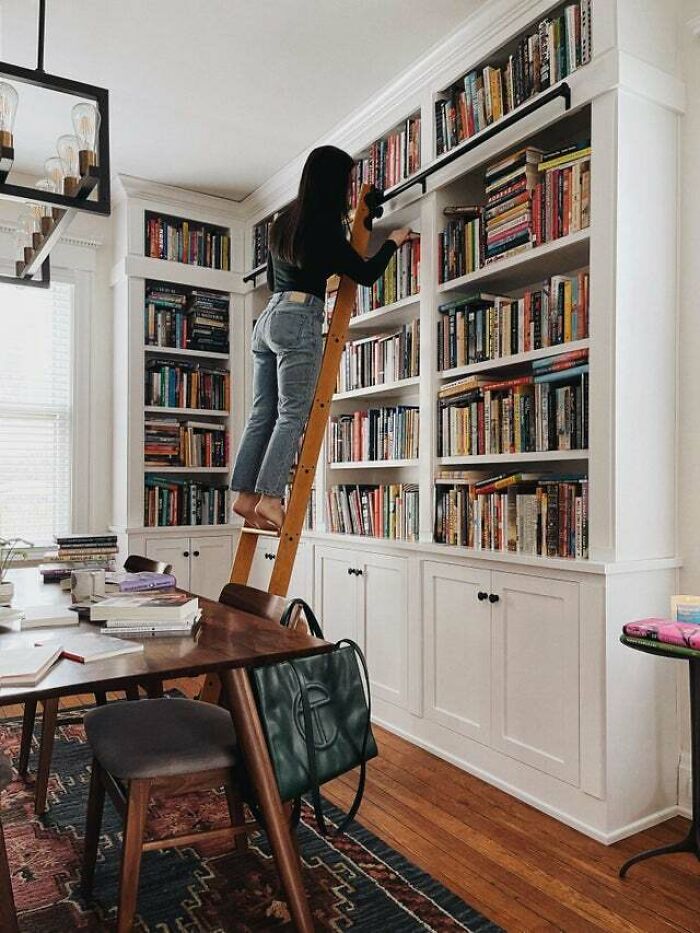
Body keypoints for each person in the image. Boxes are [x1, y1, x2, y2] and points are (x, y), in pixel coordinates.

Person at [231, 145, 410, 530]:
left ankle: (246, 497)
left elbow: (276, 281)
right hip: (298, 319)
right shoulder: (324, 225)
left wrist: (315, 286)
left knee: (263, 412)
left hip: (268, 319)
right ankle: (271, 497)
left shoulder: (283, 221)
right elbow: (363, 274)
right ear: (335, 183)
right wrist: (394, 241)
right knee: (293, 413)